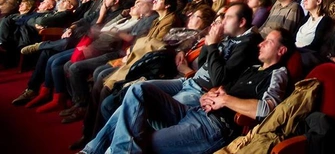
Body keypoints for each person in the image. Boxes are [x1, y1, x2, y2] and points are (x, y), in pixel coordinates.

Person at [80, 28, 294, 154]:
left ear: (281, 50)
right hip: (195, 112)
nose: (261, 44)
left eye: (269, 42)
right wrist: (211, 94)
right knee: (138, 91)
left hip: (212, 128)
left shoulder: (278, 73)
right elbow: (222, 86)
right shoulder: (252, 67)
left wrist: (225, 100)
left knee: (139, 140)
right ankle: (93, 150)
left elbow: (267, 109)